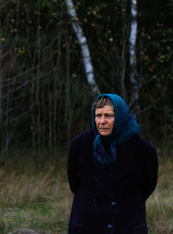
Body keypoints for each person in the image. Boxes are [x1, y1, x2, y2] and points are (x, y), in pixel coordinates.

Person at [67, 94, 158, 233]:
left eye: (108, 115)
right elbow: (74, 183)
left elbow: (148, 186)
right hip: (87, 225)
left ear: (120, 116)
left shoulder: (144, 150)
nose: (102, 121)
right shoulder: (79, 145)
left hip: (127, 225)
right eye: (98, 115)